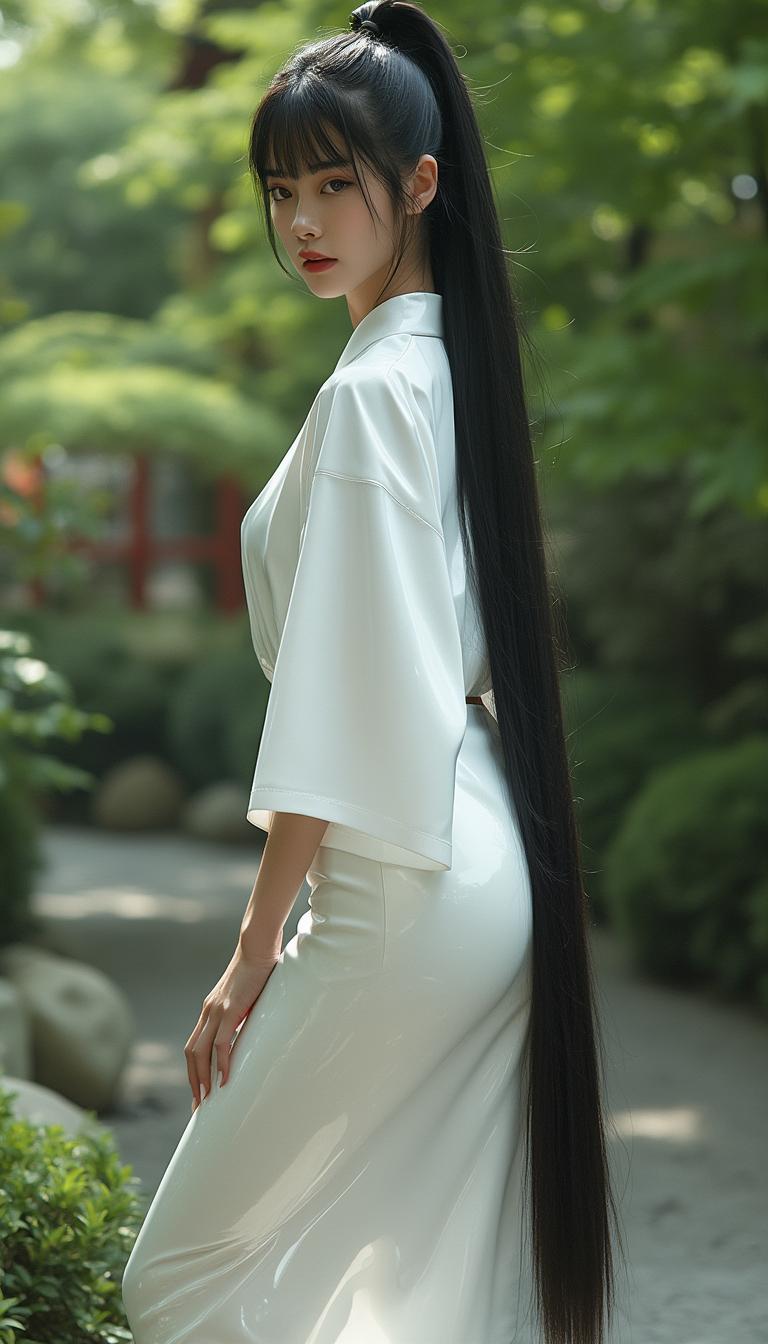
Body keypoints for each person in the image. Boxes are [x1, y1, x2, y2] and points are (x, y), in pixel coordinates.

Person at [121, 3, 626, 1341]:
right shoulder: (442, 368)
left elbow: (339, 696)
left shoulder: (370, 393)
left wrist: (251, 954)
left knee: (175, 1280)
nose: (303, 218)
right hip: (469, 847)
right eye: (283, 187)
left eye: (335, 181)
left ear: (418, 182)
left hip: (398, 873)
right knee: (413, 1289)